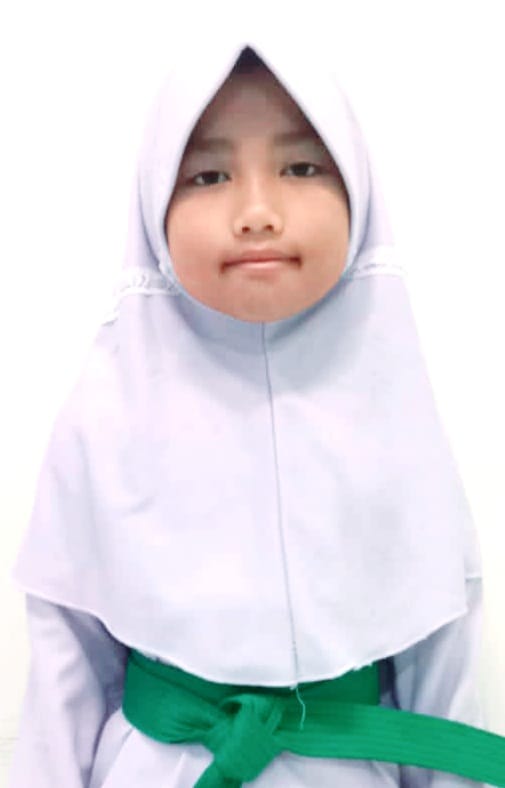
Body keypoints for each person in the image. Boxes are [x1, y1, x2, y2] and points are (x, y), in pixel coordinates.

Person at [8, 27, 505, 788]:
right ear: (153, 205)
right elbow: (64, 665)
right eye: (208, 175)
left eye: (301, 167)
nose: (257, 211)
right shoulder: (106, 418)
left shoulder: (397, 413)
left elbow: (446, 665)